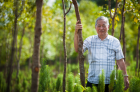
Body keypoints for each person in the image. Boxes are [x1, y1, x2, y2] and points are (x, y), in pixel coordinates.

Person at [74, 16, 129, 92]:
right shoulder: (89, 40)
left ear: (108, 27)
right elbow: (78, 50)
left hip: (110, 83)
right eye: (99, 26)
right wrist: (76, 32)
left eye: (104, 25)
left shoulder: (115, 41)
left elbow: (120, 60)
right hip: (93, 82)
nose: (101, 28)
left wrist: (125, 76)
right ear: (95, 27)